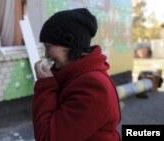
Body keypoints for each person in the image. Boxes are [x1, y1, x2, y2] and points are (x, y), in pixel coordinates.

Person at [33, 8, 121, 141]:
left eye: (48, 46)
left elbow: (47, 137)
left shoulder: (93, 86)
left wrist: (45, 87)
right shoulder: (75, 76)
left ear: (69, 44)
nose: (46, 54)